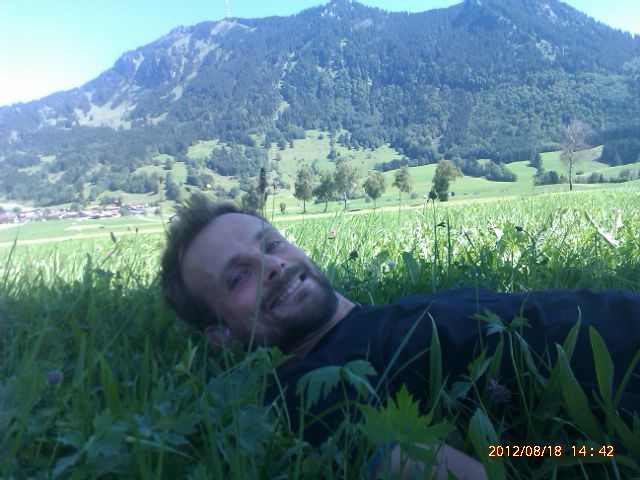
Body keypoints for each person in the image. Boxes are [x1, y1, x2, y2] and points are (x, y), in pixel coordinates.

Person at [160, 194, 640, 479]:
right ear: (221, 334)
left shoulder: (386, 315)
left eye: (272, 244)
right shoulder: (305, 391)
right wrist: (588, 453)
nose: (273, 265)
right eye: (238, 276)